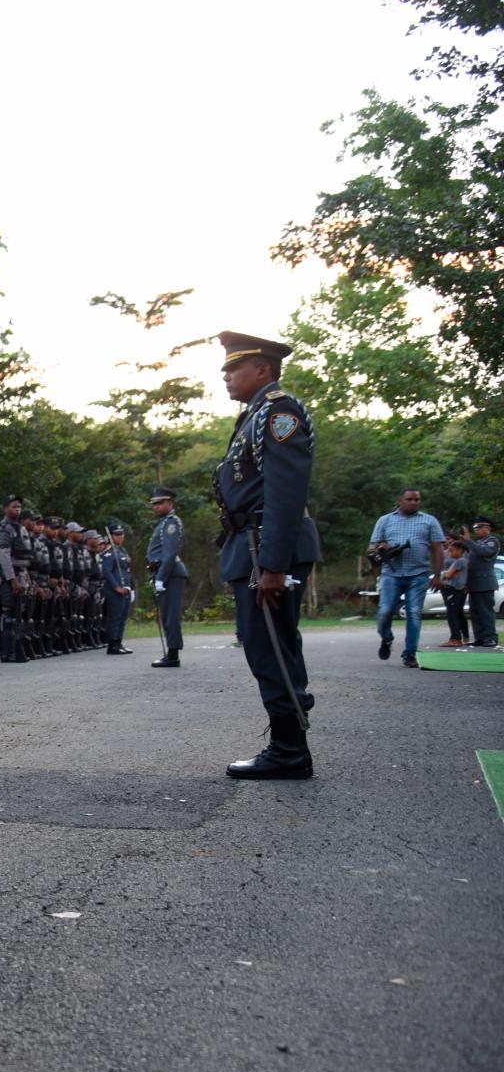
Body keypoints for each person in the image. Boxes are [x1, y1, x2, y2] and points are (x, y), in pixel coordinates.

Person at [213, 331, 320, 780]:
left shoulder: (278, 412)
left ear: (263, 369)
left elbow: (284, 492)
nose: (226, 376)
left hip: (264, 546)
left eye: (235, 367)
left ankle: (290, 750)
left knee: (269, 646)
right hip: (253, 543)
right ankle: (289, 740)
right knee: (268, 644)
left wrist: (273, 564)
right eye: (225, 369)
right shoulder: (255, 416)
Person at [369, 487, 444, 669]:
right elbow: (371, 549)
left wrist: (438, 575)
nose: (413, 502)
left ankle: (409, 653)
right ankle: (386, 638)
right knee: (385, 611)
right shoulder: (385, 520)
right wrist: (382, 548)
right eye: (409, 499)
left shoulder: (429, 521)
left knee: (414, 614)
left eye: (417, 499)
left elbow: (437, 549)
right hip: (391, 574)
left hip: (418, 574)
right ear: (400, 501)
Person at [145, 486, 187, 668]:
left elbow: (169, 554)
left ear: (170, 503)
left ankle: (173, 654)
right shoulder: (164, 523)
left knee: (171, 615)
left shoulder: (171, 523)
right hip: (164, 573)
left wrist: (161, 577)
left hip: (170, 574)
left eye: (160, 503)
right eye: (154, 504)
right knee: (167, 615)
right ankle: (171, 652)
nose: (156, 507)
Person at [465, 515, 498, 647]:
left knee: (486, 612)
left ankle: (490, 637)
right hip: (474, 583)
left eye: (479, 527)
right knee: (475, 612)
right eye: (474, 528)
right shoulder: (477, 543)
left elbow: (484, 552)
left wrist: (469, 541)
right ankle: (480, 637)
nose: (476, 530)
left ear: (487, 528)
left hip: (485, 583)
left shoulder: (492, 541)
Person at [102, 521, 134, 653]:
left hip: (125, 589)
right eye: (117, 534)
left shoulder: (122, 551)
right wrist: (117, 588)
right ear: (111, 536)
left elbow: (127, 571)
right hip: (115, 590)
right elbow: (107, 572)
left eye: (121, 534)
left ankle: (119, 642)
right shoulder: (109, 552)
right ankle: (112, 644)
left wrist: (131, 588)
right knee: (115, 618)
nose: (120, 537)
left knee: (123, 617)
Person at [440, 537, 470, 647]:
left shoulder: (460, 561)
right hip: (457, 590)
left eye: (452, 550)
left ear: (460, 550)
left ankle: (455, 638)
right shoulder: (459, 561)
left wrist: (443, 575)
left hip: (454, 590)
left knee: (452, 614)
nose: (449, 552)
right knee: (456, 613)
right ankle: (460, 636)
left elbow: (448, 575)